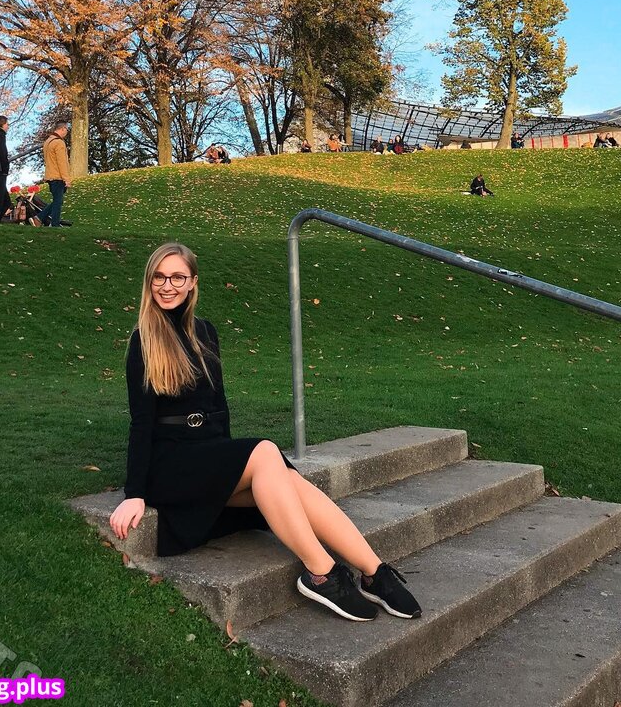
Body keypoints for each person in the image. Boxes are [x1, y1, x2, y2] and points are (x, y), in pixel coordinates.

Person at [109, 243, 421, 623]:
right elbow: (141, 422)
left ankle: (375, 572)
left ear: (192, 283)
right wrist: (135, 494)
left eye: (177, 277)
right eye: (159, 277)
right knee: (265, 452)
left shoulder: (205, 332)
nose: (167, 285)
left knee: (286, 479)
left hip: (206, 454)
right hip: (170, 464)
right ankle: (321, 573)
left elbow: (218, 405)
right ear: (150, 282)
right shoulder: (143, 340)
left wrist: (228, 464)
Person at [39, 122, 72, 228]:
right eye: (66, 129)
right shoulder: (59, 143)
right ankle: (53, 223)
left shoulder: (47, 142)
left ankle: (40, 218)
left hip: (49, 175)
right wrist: (66, 179)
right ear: (62, 129)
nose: (67, 132)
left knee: (57, 201)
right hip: (58, 176)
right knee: (58, 202)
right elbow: (62, 162)